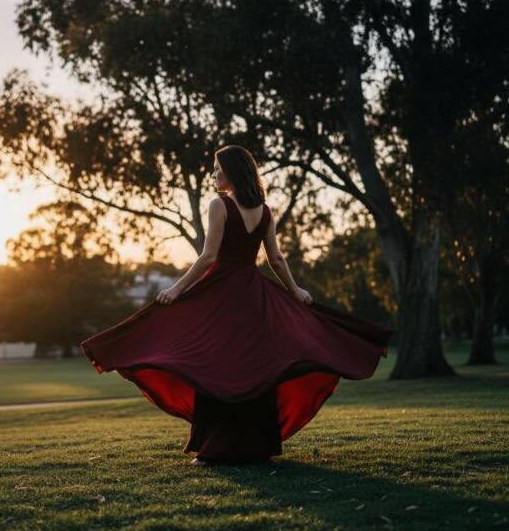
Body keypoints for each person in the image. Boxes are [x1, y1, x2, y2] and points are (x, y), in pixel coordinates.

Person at [80, 145, 393, 465]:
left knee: (218, 366)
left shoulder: (220, 205)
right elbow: (276, 258)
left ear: (232, 172)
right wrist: (294, 289)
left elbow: (209, 257)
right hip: (253, 296)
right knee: (251, 366)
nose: (213, 174)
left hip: (223, 295)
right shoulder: (265, 211)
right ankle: (254, 446)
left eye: (217, 168)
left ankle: (215, 448)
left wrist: (176, 289)